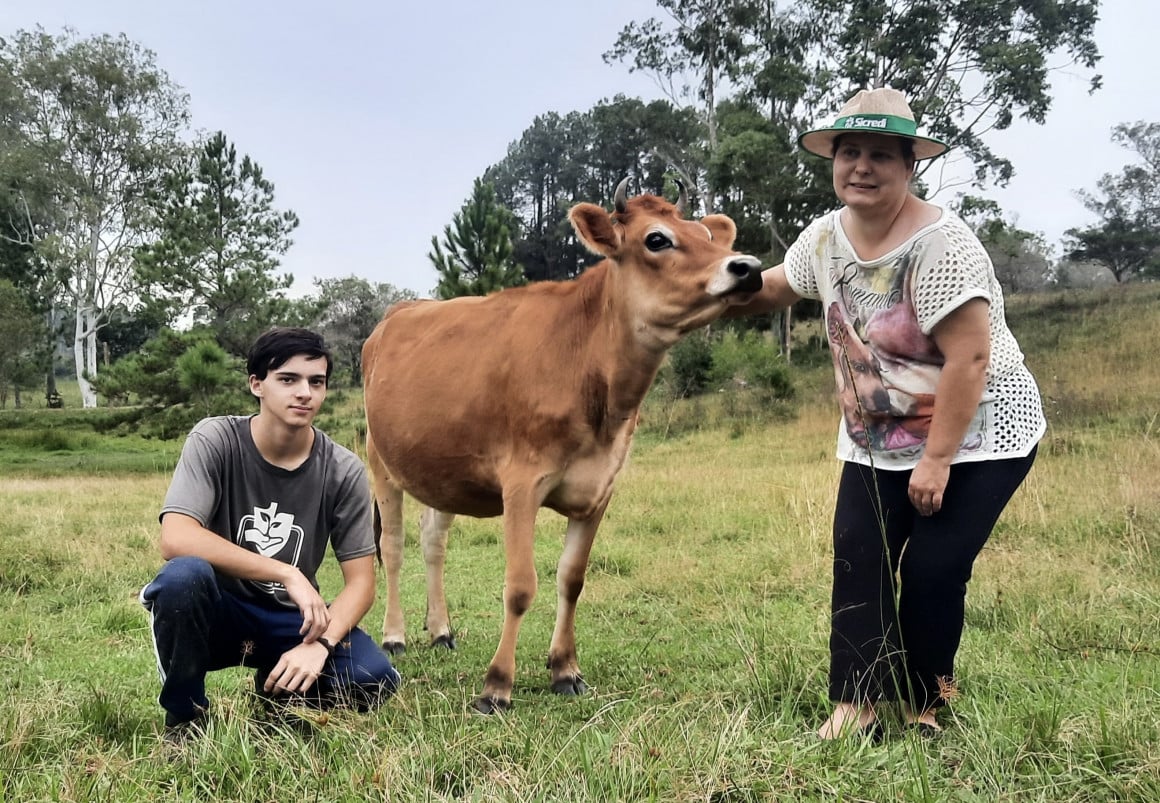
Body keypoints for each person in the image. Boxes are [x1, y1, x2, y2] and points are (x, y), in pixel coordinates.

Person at [735, 88, 1046, 738]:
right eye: (850, 152)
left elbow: (969, 359)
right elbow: (776, 286)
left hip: (981, 433)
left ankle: (924, 702)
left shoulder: (942, 246)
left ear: (910, 166)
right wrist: (709, 287)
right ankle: (856, 703)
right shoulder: (826, 236)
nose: (862, 167)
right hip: (877, 434)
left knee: (932, 567)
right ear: (833, 161)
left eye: (881, 154)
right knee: (859, 554)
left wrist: (935, 462)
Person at [140, 327, 400, 741]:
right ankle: (185, 718)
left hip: (290, 621)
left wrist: (322, 644)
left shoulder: (342, 468)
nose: (304, 393)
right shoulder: (216, 440)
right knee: (181, 580)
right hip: (219, 611)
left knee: (374, 677)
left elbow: (362, 583)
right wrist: (288, 573)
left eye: (317, 382)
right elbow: (176, 537)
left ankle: (277, 692)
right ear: (256, 384)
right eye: (288, 379)